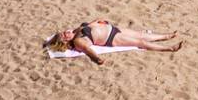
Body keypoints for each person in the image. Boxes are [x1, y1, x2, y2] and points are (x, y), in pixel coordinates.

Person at [45, 21, 182, 63]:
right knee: (140, 42)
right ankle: (169, 49)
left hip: (112, 29)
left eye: (64, 32)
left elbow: (89, 23)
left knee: (141, 34)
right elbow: (91, 53)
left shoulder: (76, 31)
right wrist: (97, 59)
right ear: (66, 42)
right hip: (111, 39)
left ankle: (166, 36)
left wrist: (98, 21)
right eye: (64, 35)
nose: (66, 32)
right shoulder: (79, 42)